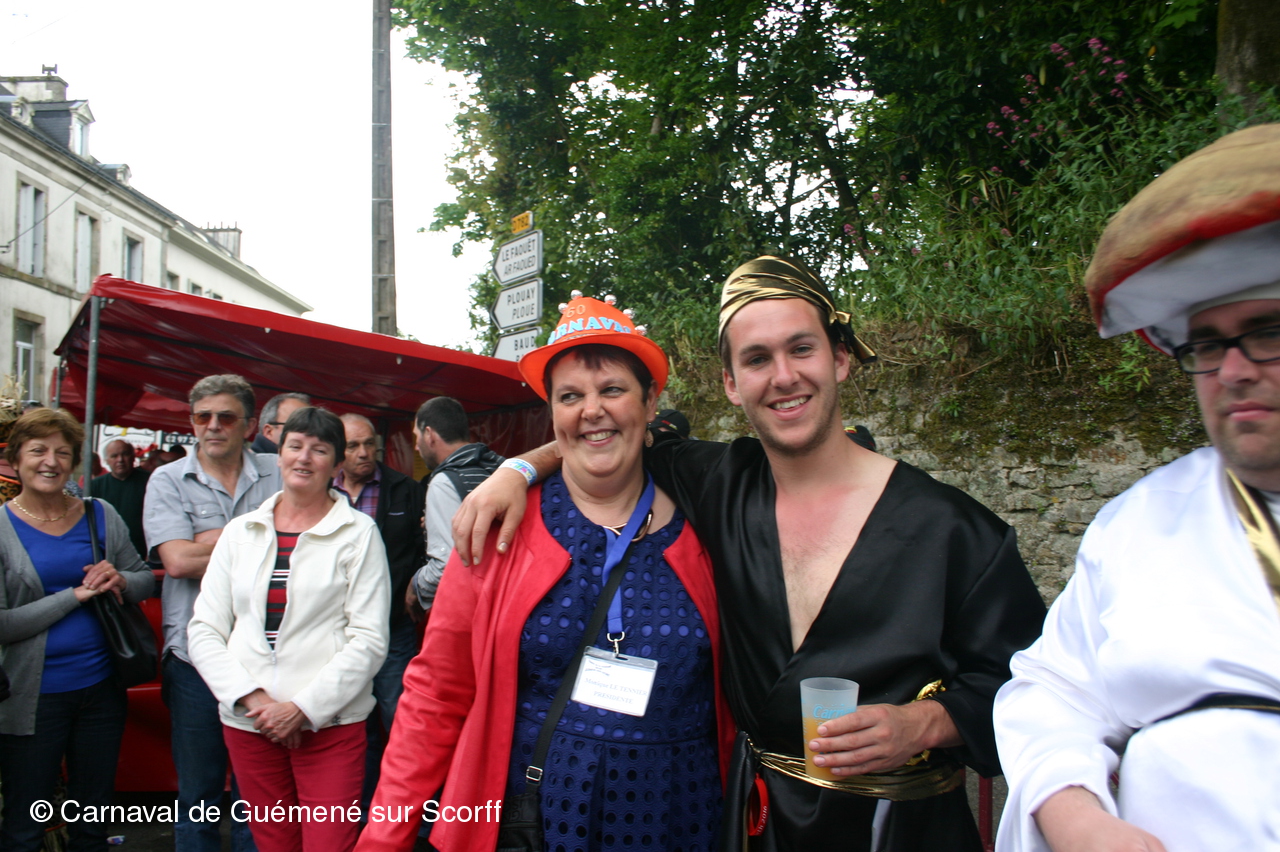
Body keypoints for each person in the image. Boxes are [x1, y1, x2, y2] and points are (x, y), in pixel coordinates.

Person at [456, 261, 1046, 850]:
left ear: (840, 359)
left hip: (900, 831)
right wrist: (517, 470)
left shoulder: (954, 531)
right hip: (754, 825)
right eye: (757, 359)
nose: (783, 377)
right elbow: (607, 435)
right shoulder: (719, 483)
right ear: (732, 384)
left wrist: (927, 723)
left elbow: (1040, 690)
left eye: (802, 349)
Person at [357, 296, 735, 852]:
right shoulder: (498, 526)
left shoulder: (709, 519)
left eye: (612, 390)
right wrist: (384, 836)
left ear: (650, 400)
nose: (591, 410)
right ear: (552, 412)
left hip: (681, 816)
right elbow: (436, 693)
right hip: (538, 820)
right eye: (570, 396)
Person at [994, 124, 1280, 852]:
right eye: (1208, 343)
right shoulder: (1142, 521)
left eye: (1267, 331)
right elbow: (1051, 692)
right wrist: (1078, 820)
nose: (1233, 370)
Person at [188, 406, 390, 852]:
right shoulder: (240, 532)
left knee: (329, 844)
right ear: (277, 455)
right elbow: (204, 630)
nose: (304, 458)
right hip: (251, 724)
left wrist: (303, 707)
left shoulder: (358, 533)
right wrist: (255, 700)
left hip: (331, 726)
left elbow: (370, 639)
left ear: (336, 465)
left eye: (319, 450)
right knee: (273, 843)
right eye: (295, 446)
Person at [0, 408, 154, 851]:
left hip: (102, 689)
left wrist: (120, 580)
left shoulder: (98, 513)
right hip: (33, 697)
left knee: (92, 821)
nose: (51, 461)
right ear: (16, 459)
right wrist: (75, 596)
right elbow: (3, 624)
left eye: (62, 452)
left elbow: (144, 578)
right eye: (38, 451)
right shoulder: (2, 528)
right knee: (25, 824)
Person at [145, 373, 279, 852]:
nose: (213, 426)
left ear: (249, 426)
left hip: (267, 655)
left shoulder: (279, 469)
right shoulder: (167, 479)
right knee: (198, 795)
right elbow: (178, 562)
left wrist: (211, 541)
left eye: (226, 417)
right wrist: (260, 539)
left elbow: (304, 549)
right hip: (195, 659)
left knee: (257, 796)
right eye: (203, 416)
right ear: (192, 422)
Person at [332, 412, 425, 795]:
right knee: (352, 725)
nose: (363, 453)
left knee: (401, 719)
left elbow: (425, 549)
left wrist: (413, 587)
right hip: (337, 633)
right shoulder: (322, 492)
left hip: (391, 628)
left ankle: (417, 814)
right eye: (353, 446)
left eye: (369, 444)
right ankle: (363, 809)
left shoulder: (405, 489)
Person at [405, 396, 503, 616]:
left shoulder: (444, 483)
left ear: (429, 435)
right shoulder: (500, 467)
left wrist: (416, 585)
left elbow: (445, 567)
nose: (417, 447)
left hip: (473, 610)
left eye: (417, 437)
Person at [89, 438, 150, 557]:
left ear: (133, 457)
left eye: (125, 454)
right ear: (106, 460)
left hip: (143, 552)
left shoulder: (150, 481)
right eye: (114, 456)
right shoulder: (95, 485)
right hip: (107, 551)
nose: (120, 460)